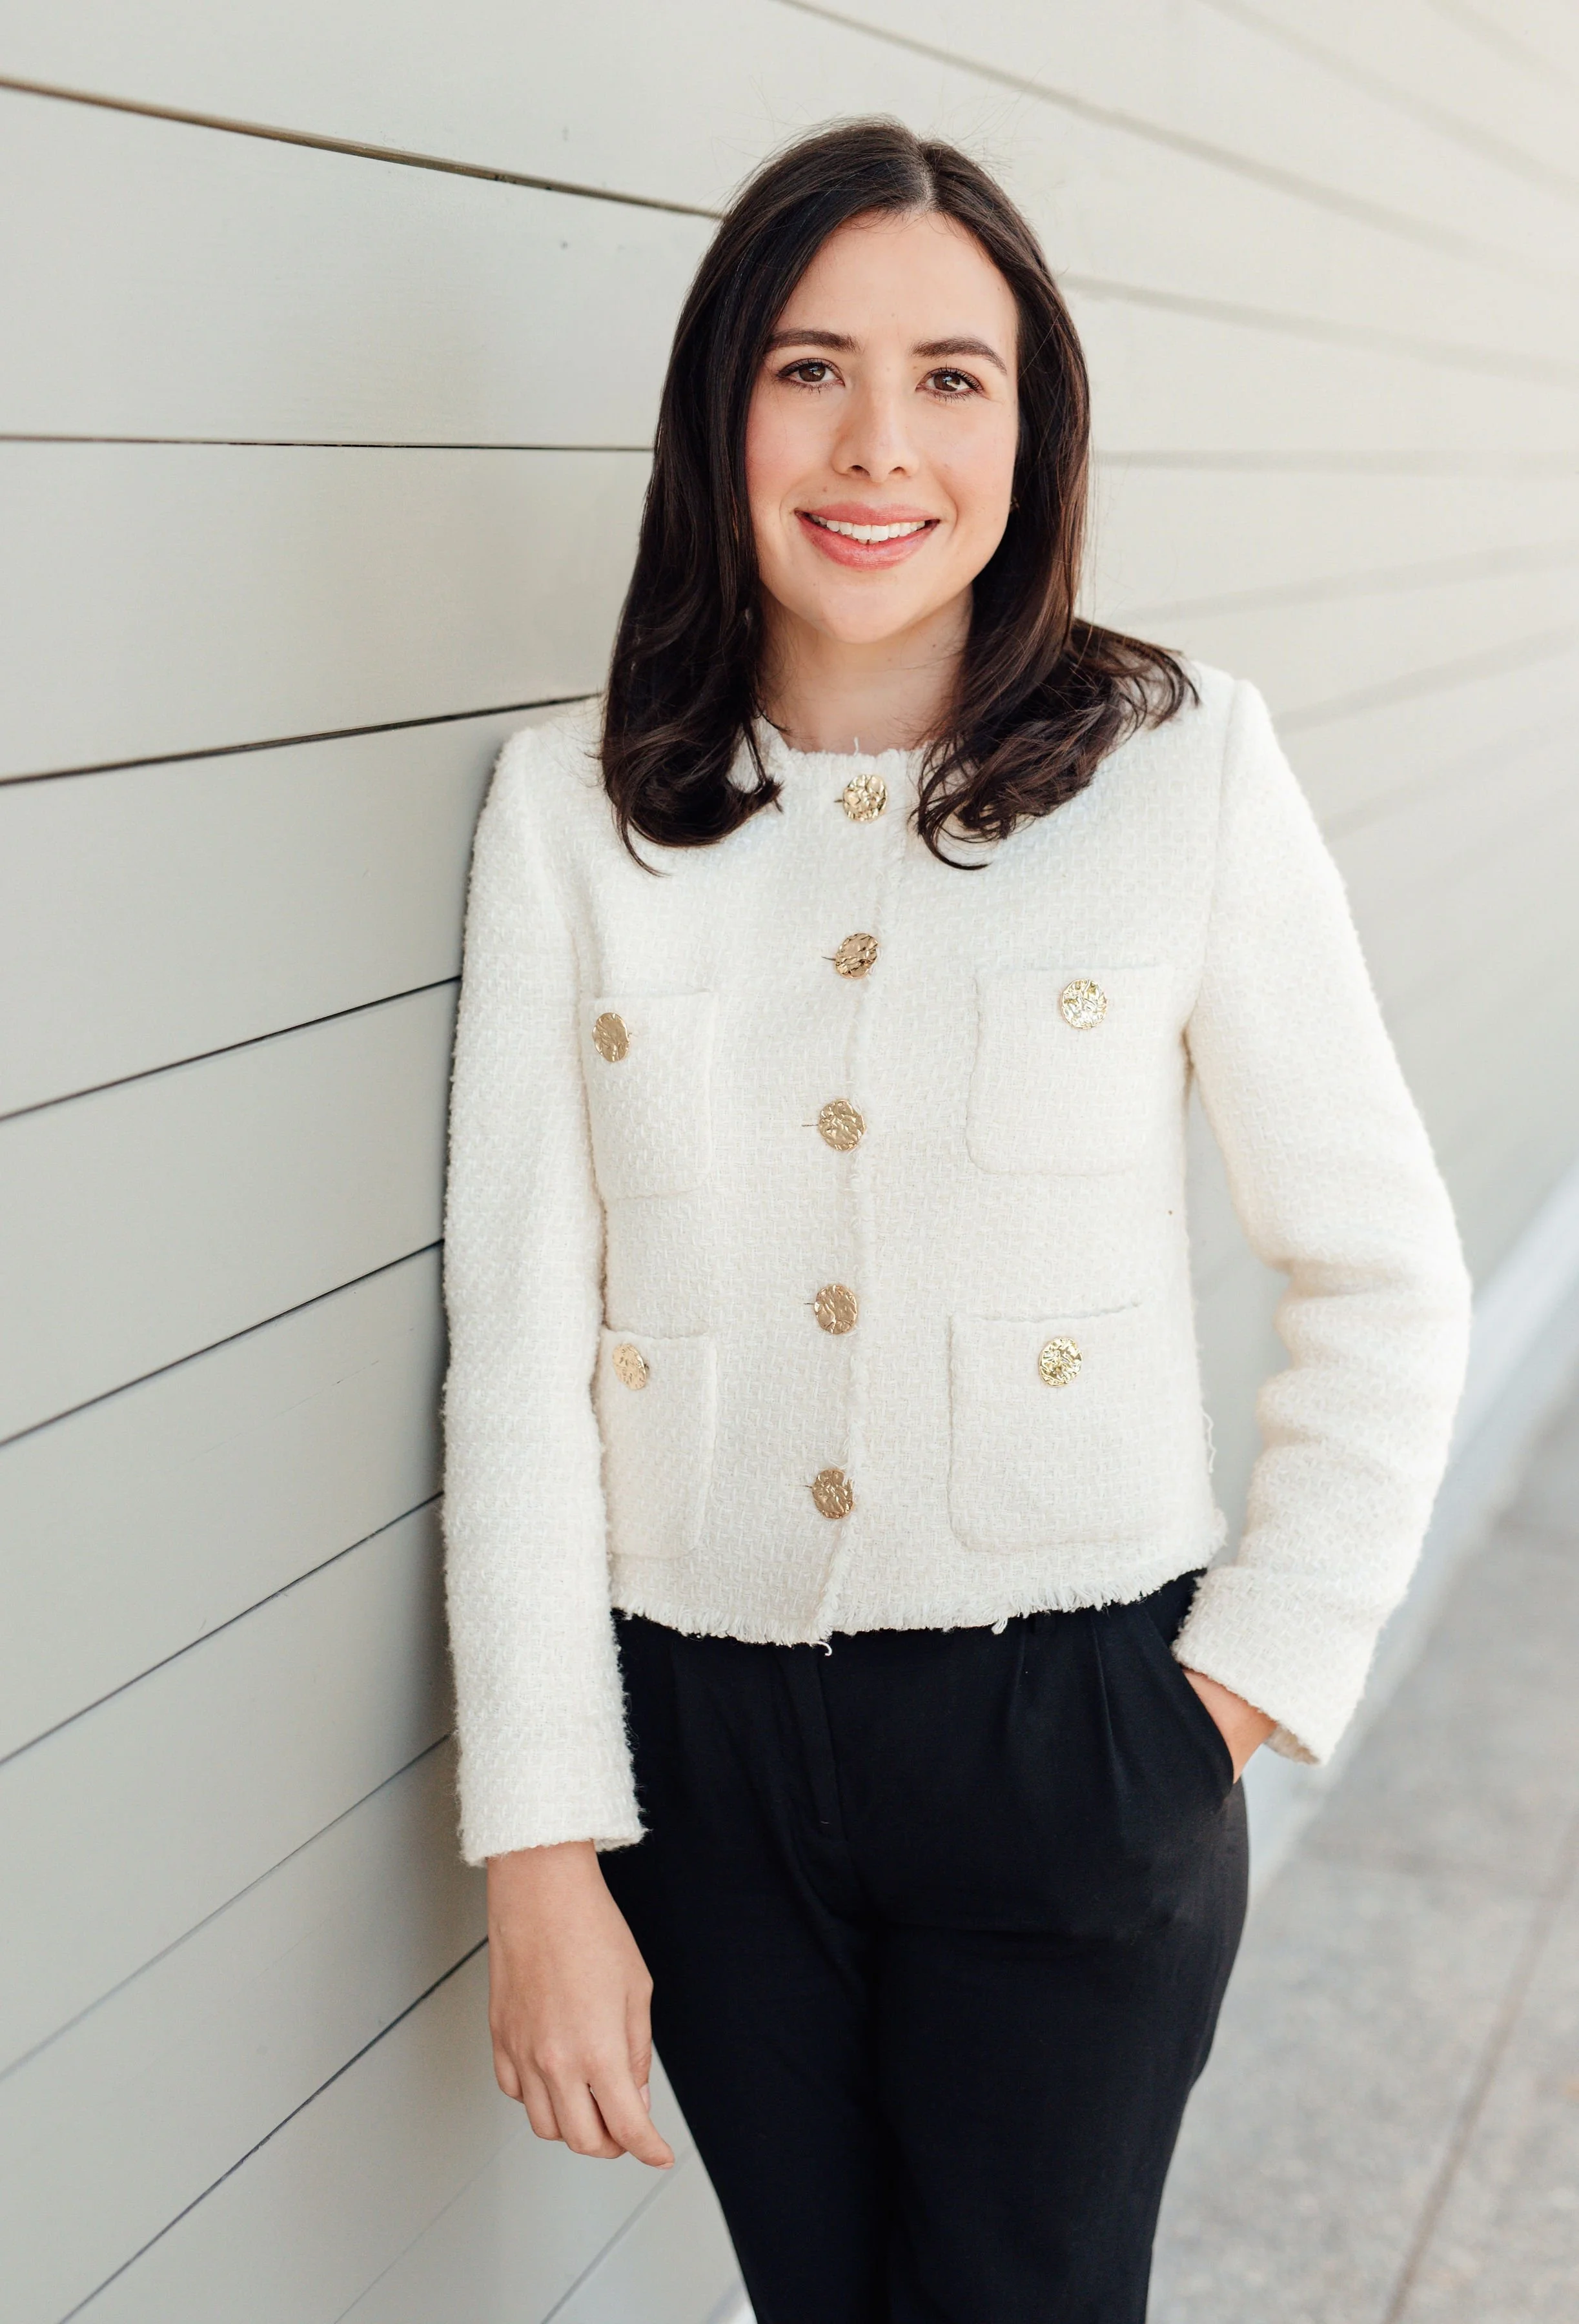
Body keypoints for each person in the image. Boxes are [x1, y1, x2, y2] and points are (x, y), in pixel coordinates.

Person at [440, 118, 1472, 2324]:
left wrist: (1230, 1696)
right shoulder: (574, 810)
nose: (875, 442)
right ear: (721, 412)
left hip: (1069, 1737)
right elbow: (519, 1347)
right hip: (690, 1763)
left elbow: (1381, 1268)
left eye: (951, 377)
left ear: (1031, 428)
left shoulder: (1177, 767)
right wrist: (540, 1845)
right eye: (809, 369)